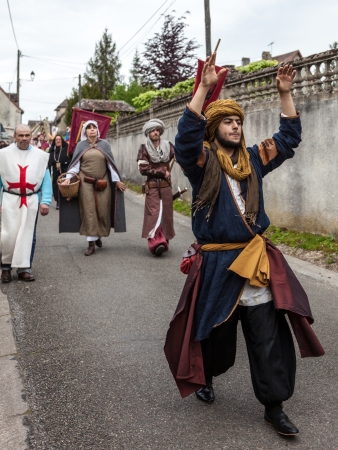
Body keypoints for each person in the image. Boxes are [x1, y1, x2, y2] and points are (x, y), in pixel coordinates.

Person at [164, 54, 324, 436]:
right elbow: (185, 140)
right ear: (215, 128)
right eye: (228, 122)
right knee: (216, 335)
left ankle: (274, 405)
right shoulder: (200, 161)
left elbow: (288, 139)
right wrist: (203, 88)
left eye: (239, 122)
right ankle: (206, 376)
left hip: (255, 261)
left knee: (266, 335)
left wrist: (285, 93)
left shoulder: (253, 159)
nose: (235, 127)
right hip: (218, 265)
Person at [60, 120, 126, 255]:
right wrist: (68, 179)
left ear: (97, 130)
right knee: (89, 211)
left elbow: (110, 165)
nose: (91, 130)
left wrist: (117, 181)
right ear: (85, 131)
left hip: (103, 182)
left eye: (94, 127)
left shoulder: (105, 145)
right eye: (88, 128)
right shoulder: (81, 145)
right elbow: (75, 165)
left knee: (102, 210)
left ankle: (98, 235)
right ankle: (91, 243)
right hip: (85, 183)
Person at [0, 124, 52, 282]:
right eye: (20, 135)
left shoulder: (41, 156)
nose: (24, 138)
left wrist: (45, 201)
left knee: (29, 234)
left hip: (31, 199)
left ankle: (24, 268)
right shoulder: (3, 154)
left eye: (27, 135)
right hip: (10, 199)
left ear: (31, 136)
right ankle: (6, 268)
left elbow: (46, 180)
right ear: (15, 136)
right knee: (8, 234)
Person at [137, 119, 175, 256]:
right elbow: (143, 169)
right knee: (154, 213)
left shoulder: (168, 146)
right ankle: (155, 243)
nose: (155, 132)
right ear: (148, 133)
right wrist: (162, 171)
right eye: (153, 130)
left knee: (166, 214)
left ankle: (165, 241)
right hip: (152, 186)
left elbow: (179, 155)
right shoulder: (144, 148)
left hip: (166, 187)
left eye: (157, 130)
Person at [48, 134, 71, 209]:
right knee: (56, 186)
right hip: (55, 171)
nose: (58, 141)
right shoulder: (52, 150)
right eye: (56, 139)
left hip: (65, 170)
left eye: (59, 139)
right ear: (54, 141)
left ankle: (66, 201)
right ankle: (58, 202)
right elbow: (49, 161)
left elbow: (70, 158)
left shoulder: (66, 149)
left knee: (65, 186)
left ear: (62, 140)